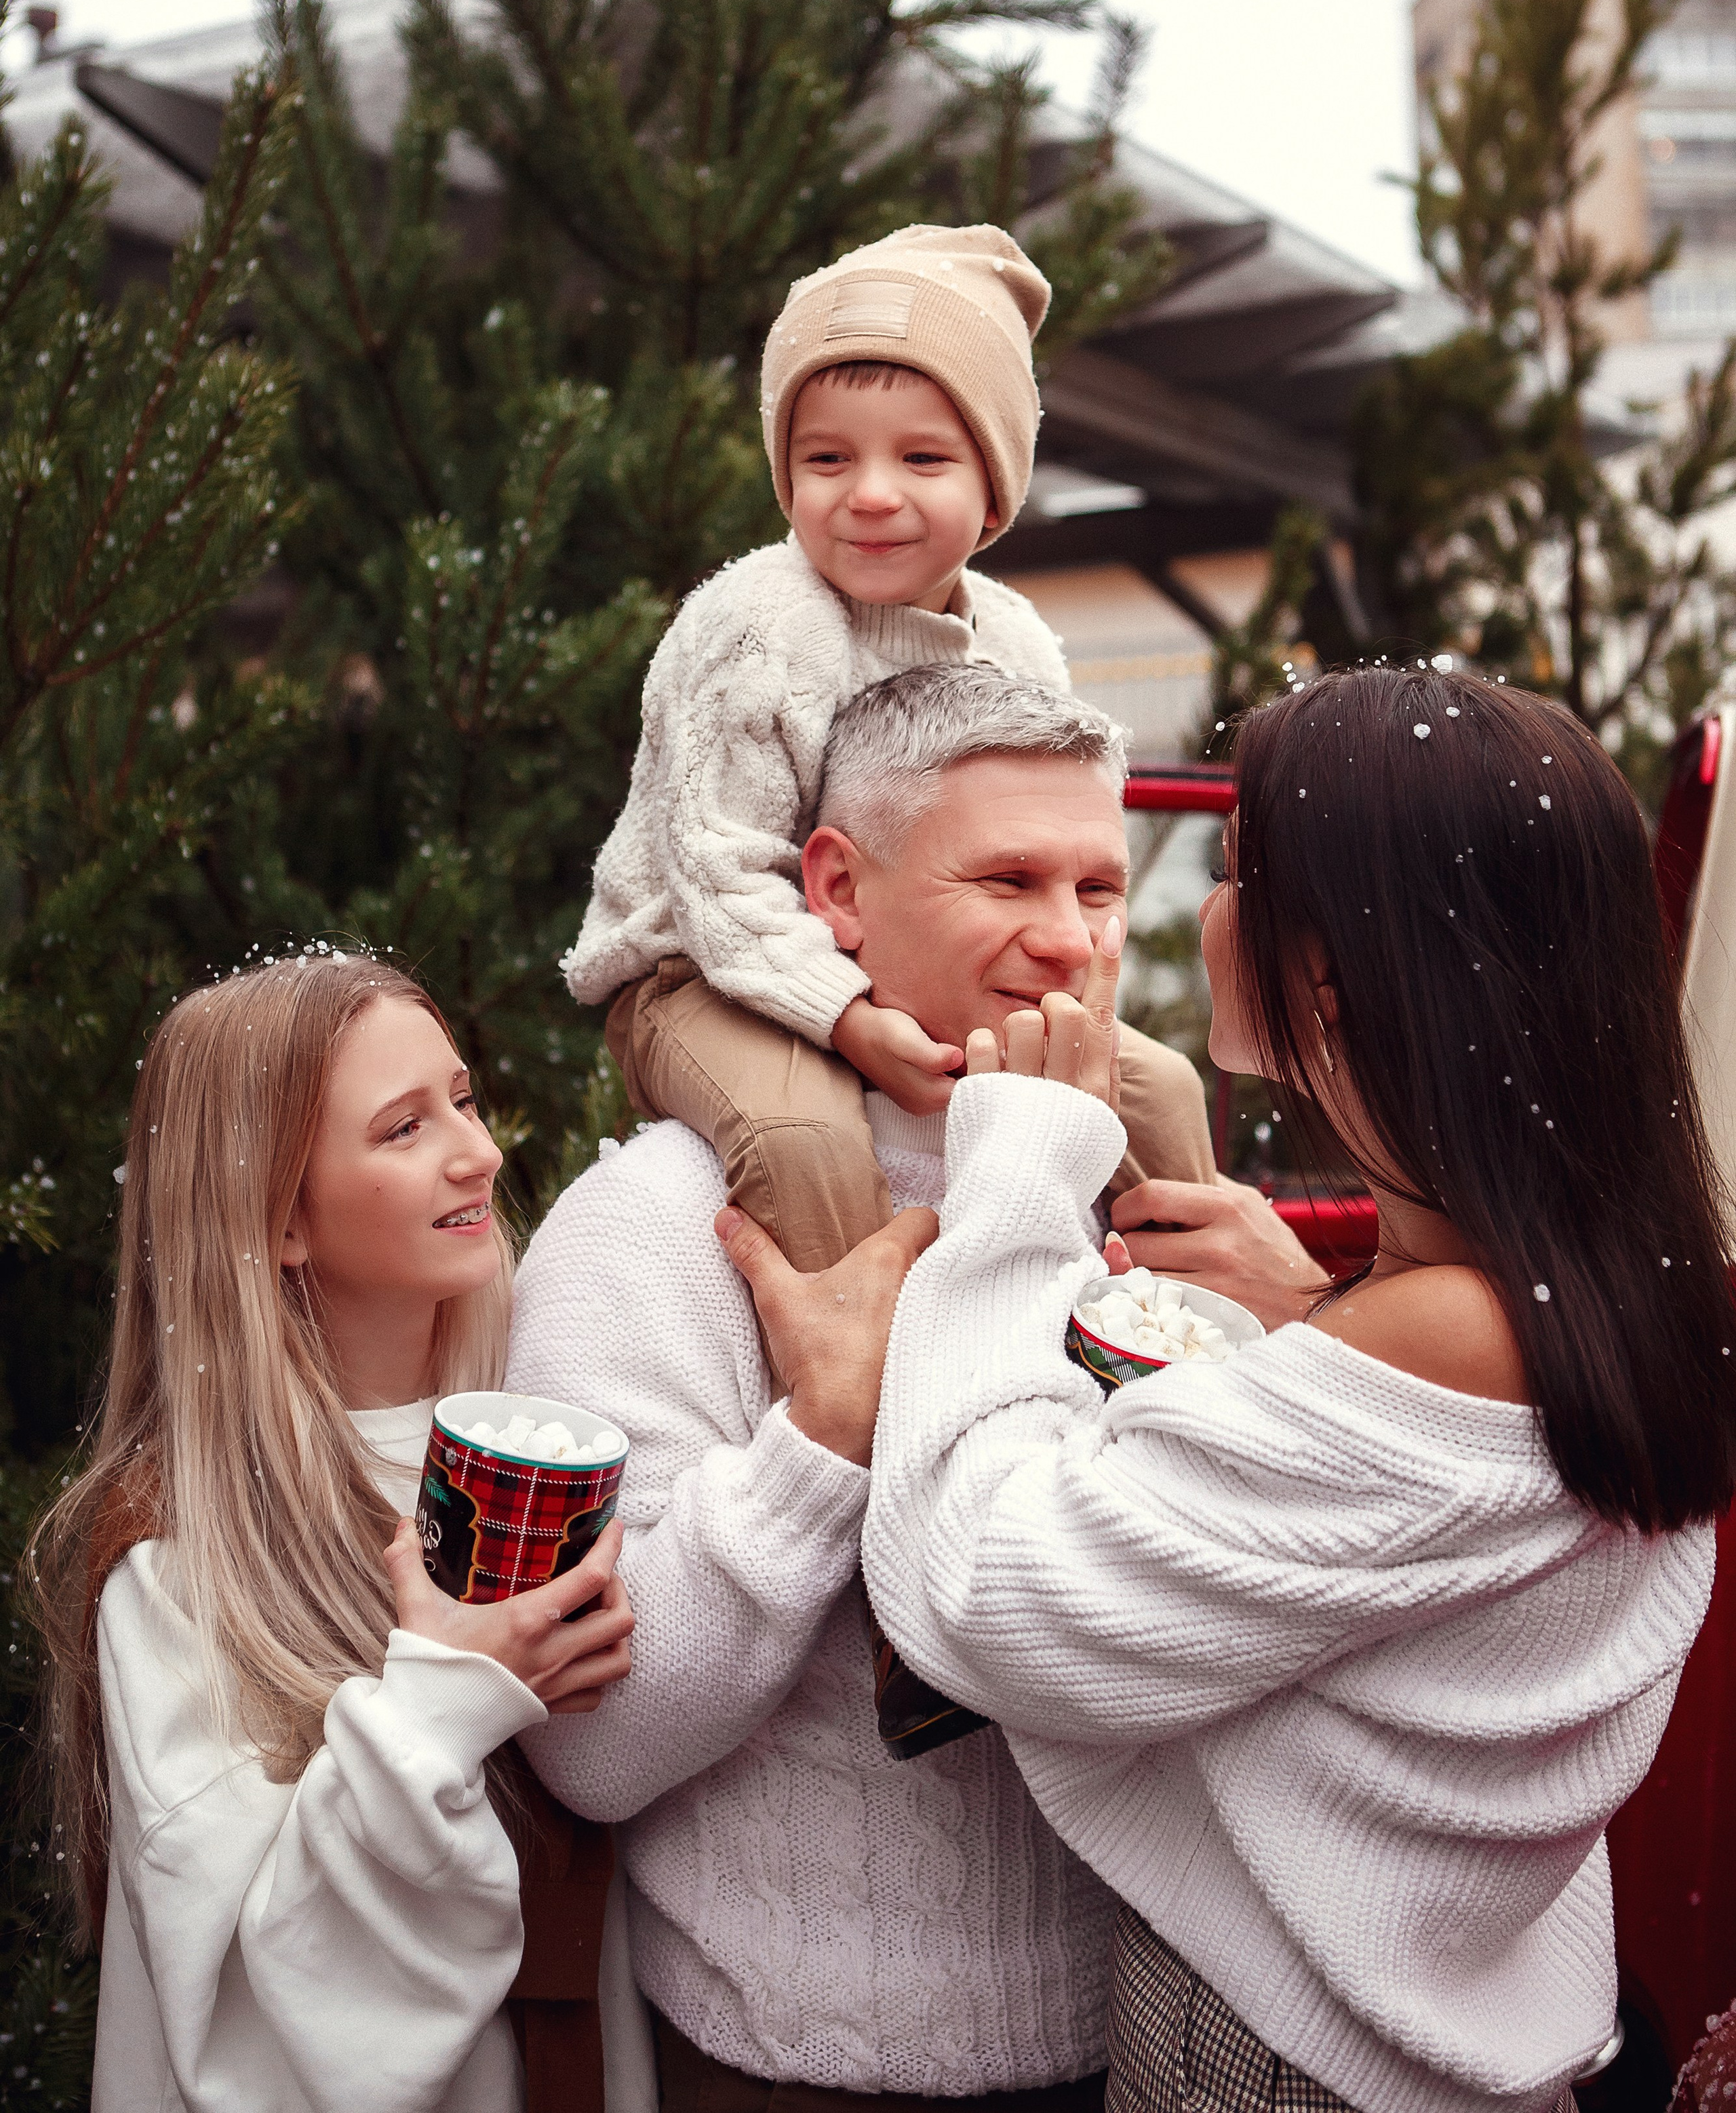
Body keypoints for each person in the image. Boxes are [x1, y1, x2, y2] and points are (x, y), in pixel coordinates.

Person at [716, 667, 1736, 2113]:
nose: (1098, 930)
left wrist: (1016, 1170)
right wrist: (1317, 1313)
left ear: (1333, 969)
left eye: (1231, 868)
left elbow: (981, 1597)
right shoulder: (1588, 1286)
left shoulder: (1436, 1338)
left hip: (1272, 2067)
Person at [507, 670, 1167, 2110]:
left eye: (1098, 888)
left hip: (1139, 2037)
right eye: (1006, 878)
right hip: (789, 2063)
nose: (1066, 939)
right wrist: (819, 1444)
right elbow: (589, 1747)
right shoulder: (656, 1228)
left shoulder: (1150, 1206)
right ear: (835, 890)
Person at [28, 954, 635, 2113]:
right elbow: (259, 2021)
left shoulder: (547, 1433)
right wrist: (449, 1698)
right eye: (405, 1128)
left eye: (463, 1097)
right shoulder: (181, 1561)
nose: (481, 1152)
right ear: (280, 1214)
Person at [561, 220, 1211, 1282]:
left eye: (922, 457)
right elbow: (718, 871)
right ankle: (874, 1376)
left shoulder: (1016, 641)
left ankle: (1171, 1320)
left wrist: (1057, 1005)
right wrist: (850, 1018)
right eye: (827, 458)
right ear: (786, 477)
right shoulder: (756, 628)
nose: (869, 493)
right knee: (802, 1141)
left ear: (993, 494)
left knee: (1160, 1091)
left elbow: (1059, 837)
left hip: (907, 958)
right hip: (705, 972)